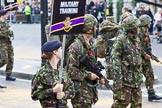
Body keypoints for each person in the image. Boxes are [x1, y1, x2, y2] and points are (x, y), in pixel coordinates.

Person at [66, 14, 105, 108]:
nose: (96, 28)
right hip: (80, 93)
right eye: (95, 26)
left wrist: (99, 76)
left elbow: (93, 65)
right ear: (89, 28)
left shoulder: (91, 44)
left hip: (89, 91)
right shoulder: (76, 47)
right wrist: (89, 75)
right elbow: (71, 72)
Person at [110, 15, 145, 108]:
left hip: (136, 80)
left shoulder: (136, 39)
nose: (138, 28)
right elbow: (115, 61)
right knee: (121, 104)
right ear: (131, 27)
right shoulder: (121, 40)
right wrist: (118, 81)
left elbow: (138, 57)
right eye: (136, 26)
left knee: (137, 105)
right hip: (125, 80)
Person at [31, 40, 75, 108]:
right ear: (55, 52)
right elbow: (34, 95)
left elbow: (72, 91)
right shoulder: (42, 73)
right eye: (60, 49)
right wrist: (53, 90)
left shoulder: (62, 71)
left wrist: (64, 94)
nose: (62, 51)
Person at [138, 14, 162, 101]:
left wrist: (151, 55)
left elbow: (146, 46)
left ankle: (151, 94)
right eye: (149, 22)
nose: (150, 23)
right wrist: (144, 54)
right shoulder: (138, 32)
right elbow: (137, 46)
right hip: (139, 59)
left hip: (146, 59)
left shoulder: (145, 31)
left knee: (150, 75)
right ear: (145, 22)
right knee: (137, 78)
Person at [0, 10, 16, 81]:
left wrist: (12, 37)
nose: (7, 15)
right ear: (2, 15)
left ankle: (8, 75)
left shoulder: (6, 23)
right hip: (2, 44)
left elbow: (11, 32)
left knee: (10, 59)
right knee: (4, 59)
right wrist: (8, 31)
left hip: (9, 43)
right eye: (6, 14)